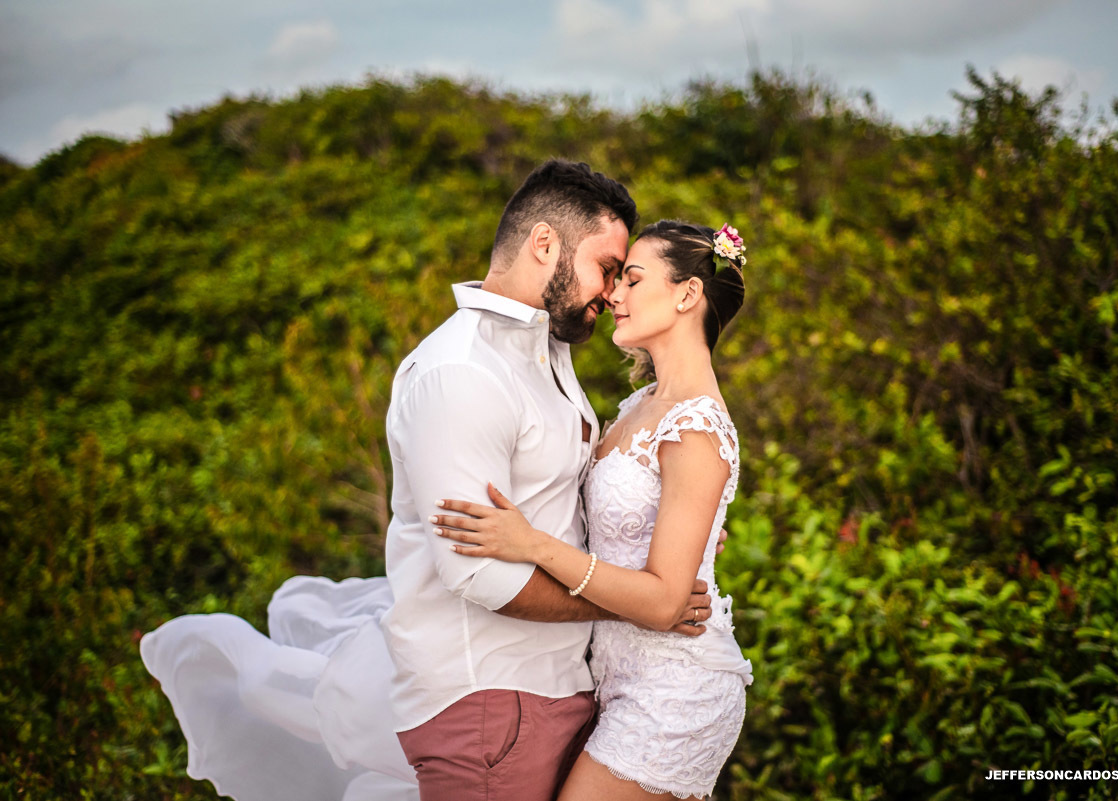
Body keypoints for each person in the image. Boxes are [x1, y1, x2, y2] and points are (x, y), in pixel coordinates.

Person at [139, 161, 719, 801]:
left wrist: (658, 555)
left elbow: (586, 504)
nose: (611, 292)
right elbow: (478, 573)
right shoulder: (462, 372)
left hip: (562, 690)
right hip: (493, 702)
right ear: (545, 245)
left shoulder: (547, 356)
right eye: (609, 268)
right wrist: (642, 606)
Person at [433, 220, 753, 800]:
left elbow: (662, 602)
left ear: (687, 294)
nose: (614, 296)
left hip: (674, 694)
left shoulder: (696, 426)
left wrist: (531, 544)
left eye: (632, 279)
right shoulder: (639, 405)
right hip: (614, 679)